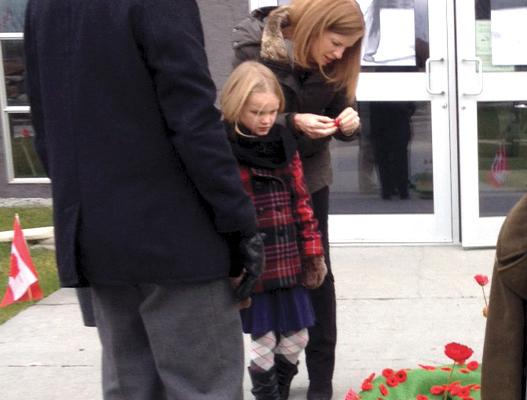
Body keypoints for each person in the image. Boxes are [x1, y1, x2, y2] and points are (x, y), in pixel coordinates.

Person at [24, 1, 262, 399]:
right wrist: (239, 222)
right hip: (178, 237)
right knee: (203, 388)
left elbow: (45, 122)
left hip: (98, 231)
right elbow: (192, 119)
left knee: (130, 388)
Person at [233, 1, 364, 398]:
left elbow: (342, 106)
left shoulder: (336, 61)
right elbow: (238, 111)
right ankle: (272, 375)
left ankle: (320, 378)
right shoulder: (253, 43)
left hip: (309, 177)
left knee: (315, 268)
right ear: (315, 25)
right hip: (259, 176)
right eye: (336, 43)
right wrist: (291, 122)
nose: (339, 54)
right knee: (266, 273)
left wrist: (348, 123)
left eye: (348, 48)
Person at [221, 61, 328, 400]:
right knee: (264, 337)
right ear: (237, 106)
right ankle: (268, 395)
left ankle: (280, 387)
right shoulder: (221, 145)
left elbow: (301, 199)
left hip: (288, 254)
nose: (266, 119)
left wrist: (313, 252)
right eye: (256, 112)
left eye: (271, 111)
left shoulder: (283, 141)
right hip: (254, 260)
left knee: (298, 336)